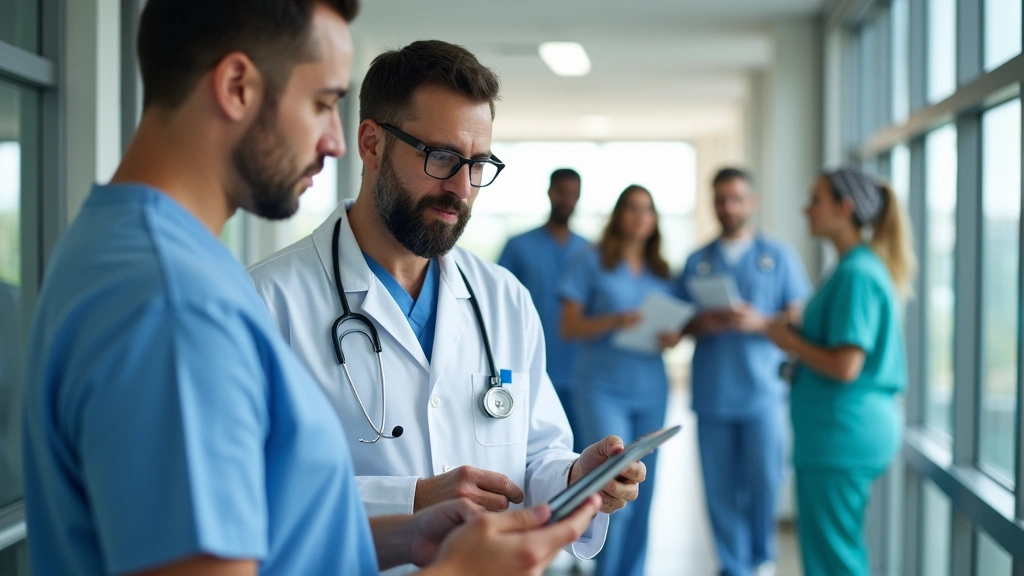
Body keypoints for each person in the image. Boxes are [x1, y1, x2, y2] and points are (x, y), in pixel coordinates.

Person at [20, 1, 603, 575]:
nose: (335, 141)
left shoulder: (117, 245)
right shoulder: (177, 300)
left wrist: (409, 535)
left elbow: (261, 527)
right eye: (322, 102)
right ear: (237, 87)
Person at [246, 40, 646, 574]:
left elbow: (536, 454)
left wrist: (575, 478)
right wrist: (410, 500)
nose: (461, 188)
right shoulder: (269, 302)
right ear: (371, 144)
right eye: (441, 158)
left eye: (478, 164)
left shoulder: (504, 299)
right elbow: (252, 492)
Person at [766, 165, 915, 576]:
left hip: (841, 434)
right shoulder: (855, 267)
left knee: (834, 560)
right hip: (840, 432)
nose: (806, 209)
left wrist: (790, 340)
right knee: (834, 551)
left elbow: (847, 365)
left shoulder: (857, 273)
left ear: (844, 208)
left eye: (816, 200)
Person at [674, 168, 811, 576]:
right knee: (719, 488)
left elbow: (799, 319)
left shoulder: (778, 256)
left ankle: (760, 556)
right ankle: (733, 565)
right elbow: (678, 324)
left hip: (762, 392)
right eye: (720, 199)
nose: (727, 207)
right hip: (714, 391)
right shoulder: (698, 261)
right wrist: (703, 323)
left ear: (751, 202)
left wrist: (761, 322)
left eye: (735, 198)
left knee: (765, 480)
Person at [559, 184, 680, 576]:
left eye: (648, 209)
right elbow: (569, 325)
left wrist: (672, 336)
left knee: (645, 493)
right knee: (615, 485)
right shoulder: (591, 260)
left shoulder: (662, 271)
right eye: (632, 208)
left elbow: (676, 320)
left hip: (650, 387)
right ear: (619, 215)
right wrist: (616, 319)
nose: (640, 216)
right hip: (602, 388)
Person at [498, 168, 590, 451]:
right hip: (530, 367)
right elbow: (498, 308)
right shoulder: (518, 246)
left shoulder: (590, 251)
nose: (566, 200)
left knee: (583, 455)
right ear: (550, 192)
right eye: (561, 192)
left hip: (581, 372)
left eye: (573, 194)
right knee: (531, 452)